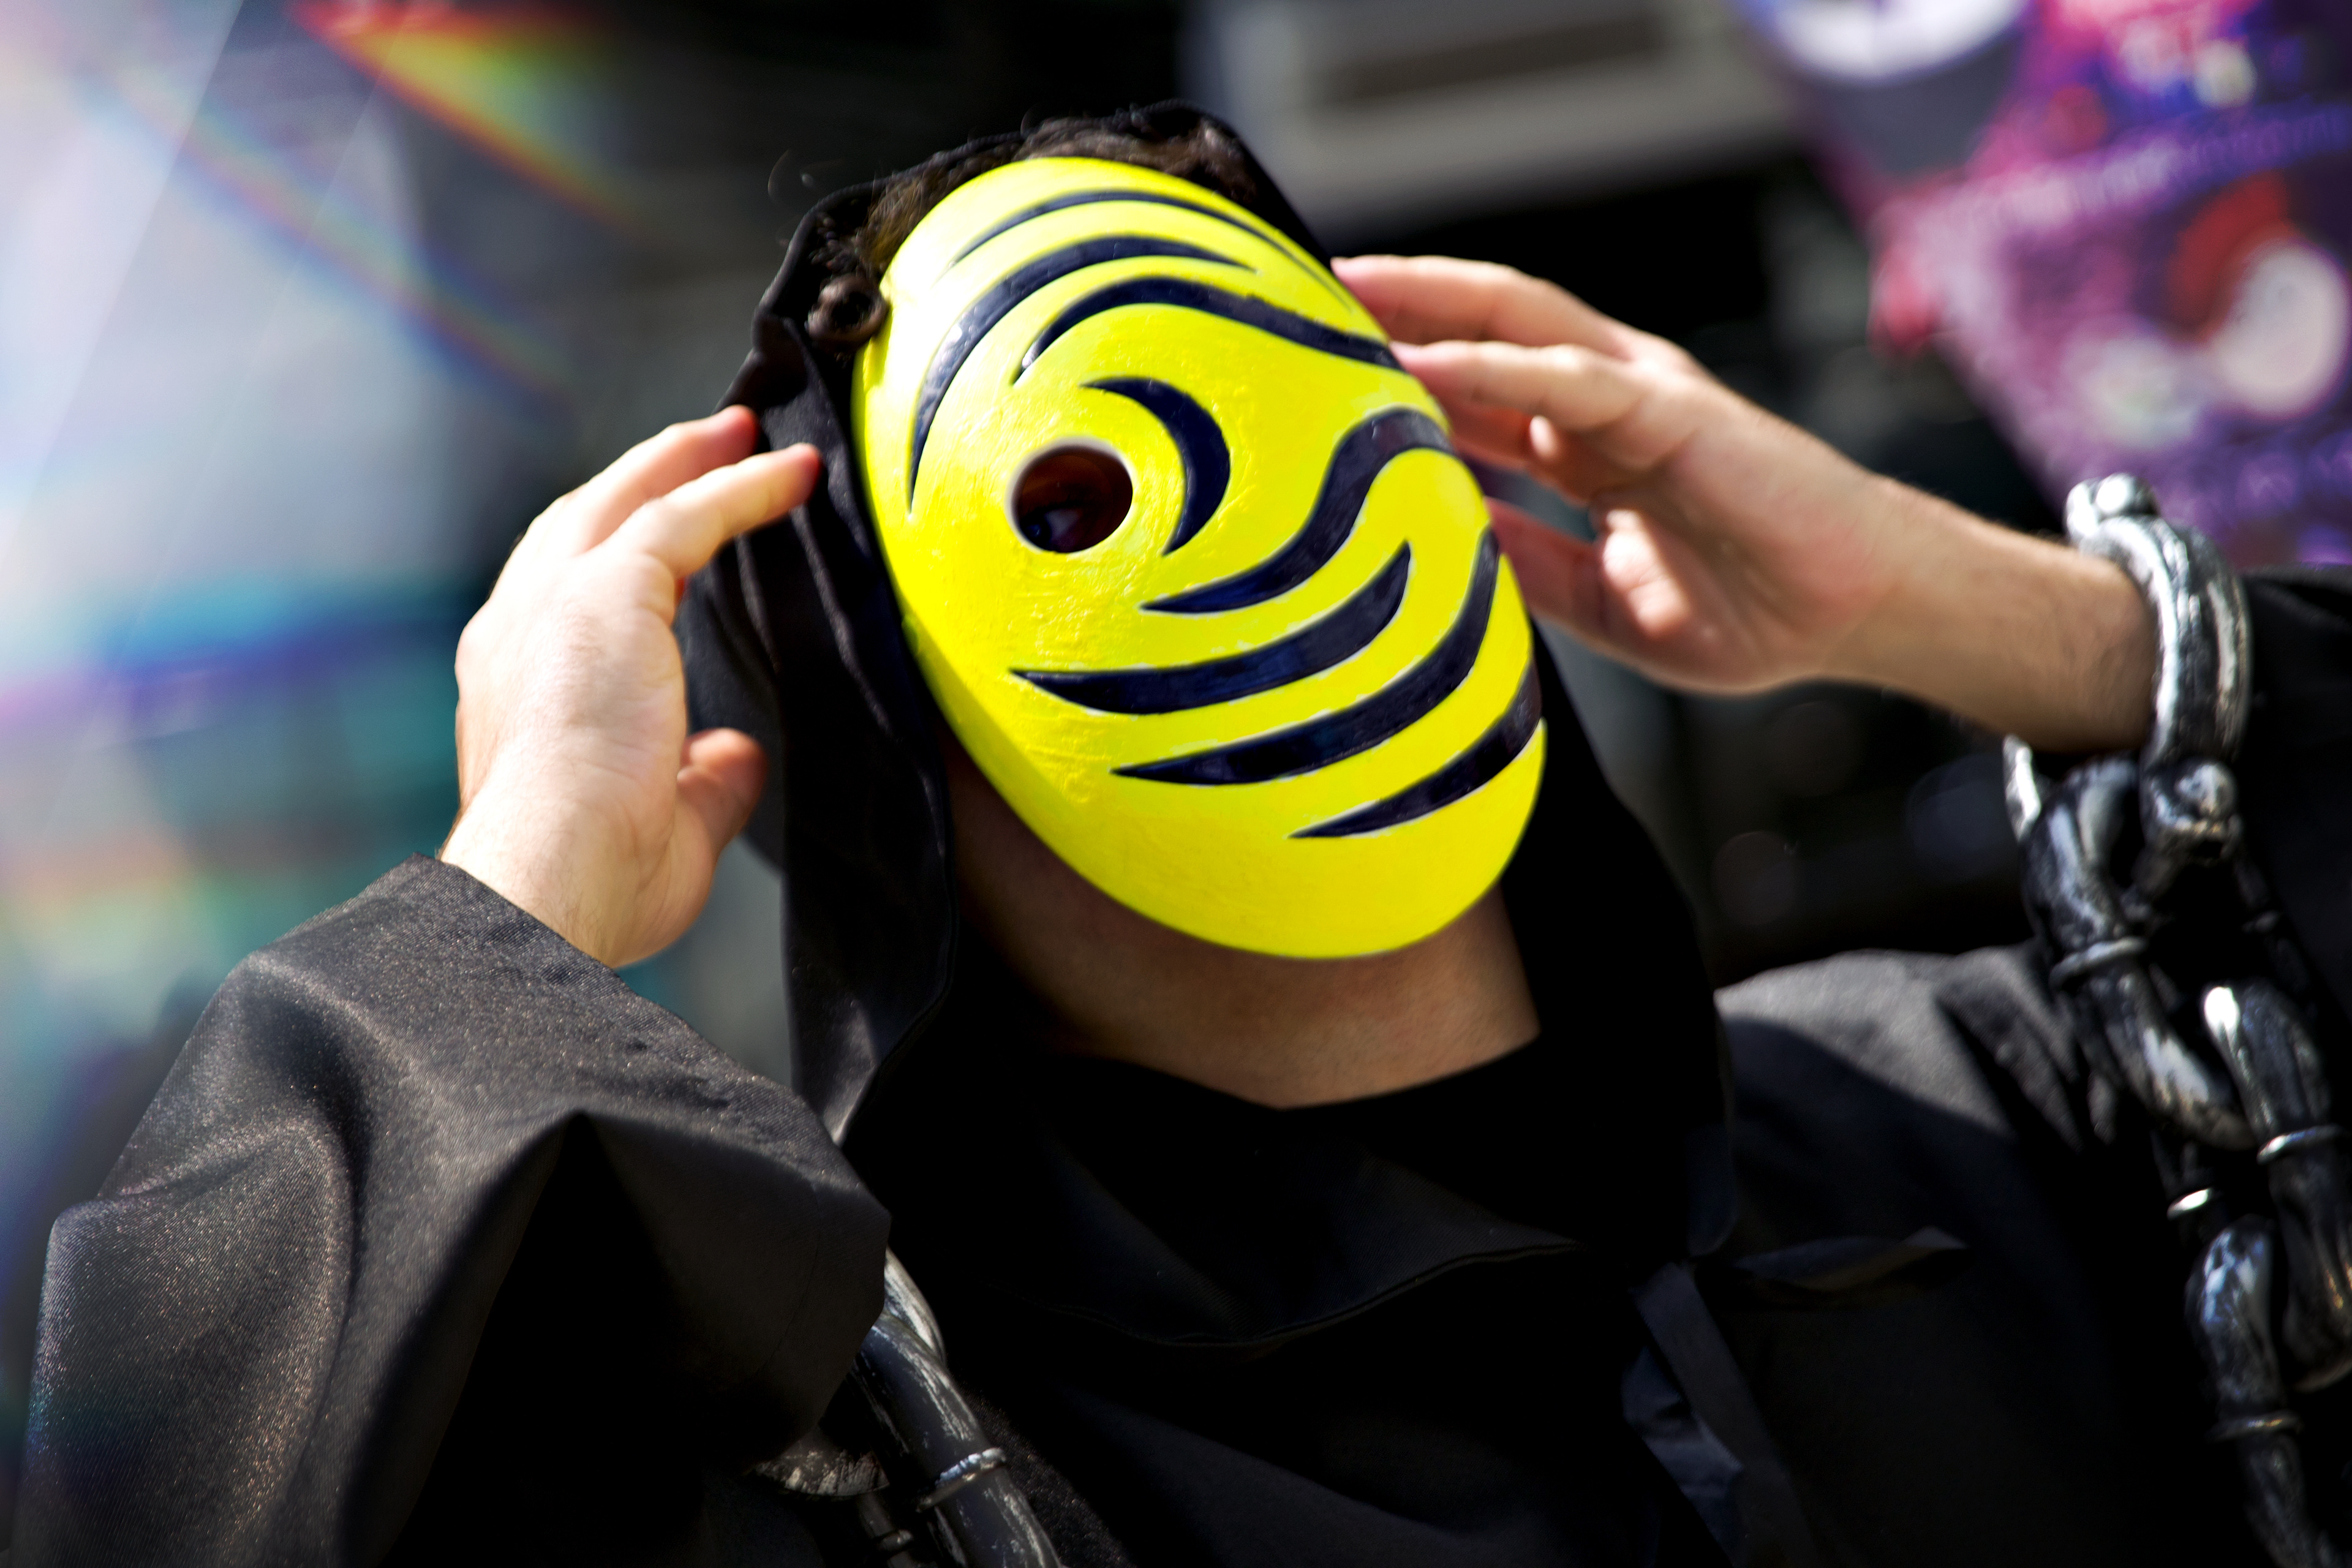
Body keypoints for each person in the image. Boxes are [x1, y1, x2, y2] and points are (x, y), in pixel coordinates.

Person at [11, 105, 2352, 1568]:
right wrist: (511, 890)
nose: (1251, 528)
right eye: (1076, 490)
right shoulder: (864, 1486)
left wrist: (2001, 615)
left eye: (1312, 411)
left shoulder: (2003, 1118)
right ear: (881, 728)